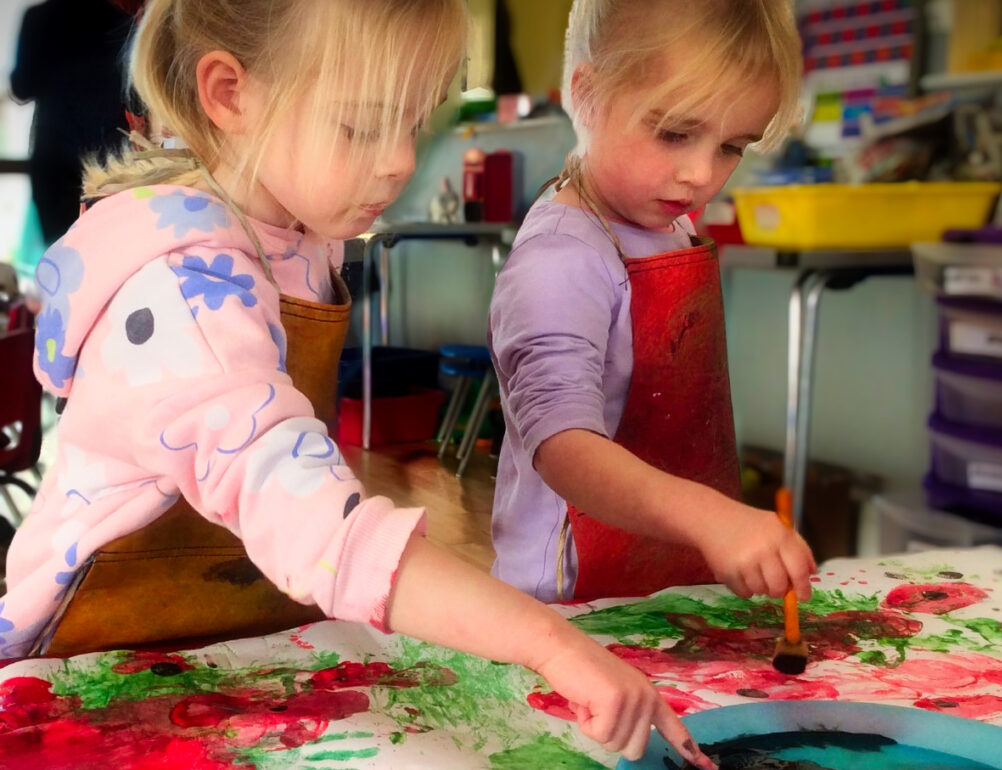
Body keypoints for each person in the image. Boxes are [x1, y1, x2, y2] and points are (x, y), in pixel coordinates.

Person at [0, 1, 712, 765]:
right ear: (230, 95)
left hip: (218, 650)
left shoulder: (297, 234)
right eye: (363, 123)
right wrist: (550, 643)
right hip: (86, 680)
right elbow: (320, 528)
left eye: (414, 121)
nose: (403, 161)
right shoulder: (183, 287)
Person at [489, 0, 818, 604]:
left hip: (665, 582)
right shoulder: (562, 259)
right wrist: (708, 517)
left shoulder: (672, 228)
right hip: (567, 604)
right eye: (674, 133)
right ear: (587, 96)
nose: (701, 175)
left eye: (732, 146)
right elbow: (561, 445)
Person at [9, 0, 136, 244]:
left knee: (61, 252)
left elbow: (22, 87)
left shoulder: (40, 18)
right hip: (112, 154)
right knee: (113, 250)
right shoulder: (122, 19)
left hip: (55, 153)